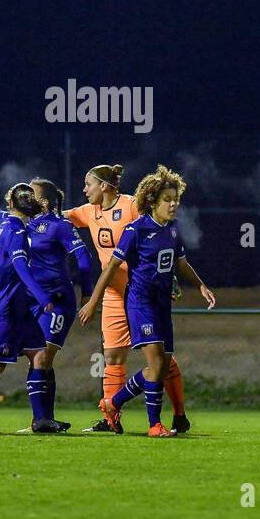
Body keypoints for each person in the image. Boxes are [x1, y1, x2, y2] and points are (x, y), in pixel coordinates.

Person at [84, 165, 216, 437]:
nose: (173, 204)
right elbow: (110, 269)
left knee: (163, 365)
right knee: (155, 365)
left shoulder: (174, 229)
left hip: (161, 305)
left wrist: (201, 286)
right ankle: (154, 425)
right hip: (139, 303)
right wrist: (93, 301)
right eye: (167, 200)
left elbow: (181, 263)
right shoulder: (136, 230)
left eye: (175, 199)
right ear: (152, 202)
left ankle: (113, 402)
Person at [0, 172, 61, 433]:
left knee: (40, 355)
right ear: (13, 203)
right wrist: (42, 297)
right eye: (23, 195)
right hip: (6, 309)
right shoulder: (16, 231)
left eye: (29, 195)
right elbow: (19, 265)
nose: (27, 198)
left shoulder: (9, 225)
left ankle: (41, 420)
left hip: (16, 308)